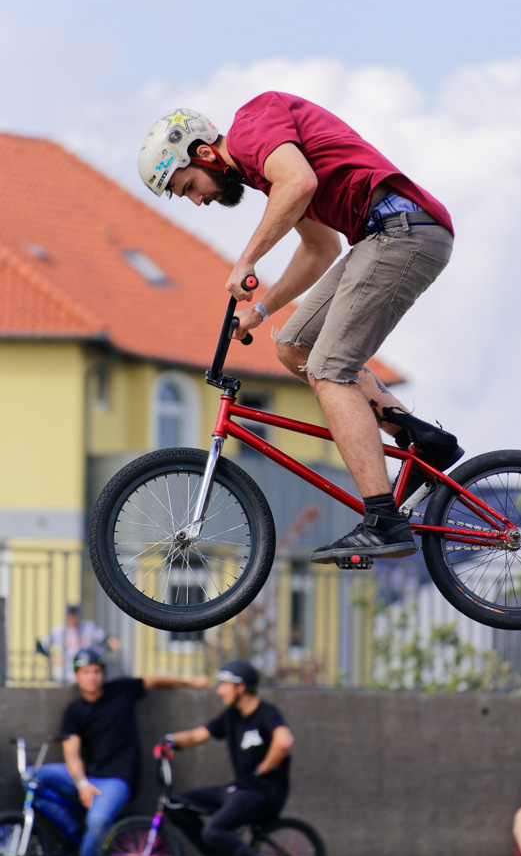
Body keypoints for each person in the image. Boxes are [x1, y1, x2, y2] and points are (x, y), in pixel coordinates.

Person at [138, 95, 463, 565]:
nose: (198, 199)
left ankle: (383, 519)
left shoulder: (253, 126)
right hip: (380, 236)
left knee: (330, 370)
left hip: (403, 228)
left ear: (205, 153)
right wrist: (263, 308)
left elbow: (300, 181)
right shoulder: (268, 171)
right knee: (293, 346)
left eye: (189, 185)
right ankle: (419, 439)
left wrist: (247, 259)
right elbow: (319, 249)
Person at [31, 646, 211, 856]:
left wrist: (191, 681)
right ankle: (76, 832)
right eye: (85, 672)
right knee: (31, 776)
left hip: (117, 780)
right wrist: (82, 784)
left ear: (102, 673)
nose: (92, 677)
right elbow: (71, 752)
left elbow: (154, 680)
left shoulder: (122, 690)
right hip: (87, 777)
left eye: (96, 671)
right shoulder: (74, 710)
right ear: (77, 676)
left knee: (99, 820)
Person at [162, 659, 294, 856]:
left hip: (264, 792)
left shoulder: (266, 713)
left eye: (225, 685)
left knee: (215, 829)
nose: (220, 690)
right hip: (241, 789)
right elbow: (197, 735)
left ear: (241, 687)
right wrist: (170, 742)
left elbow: (284, 741)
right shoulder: (232, 716)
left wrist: (267, 765)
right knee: (175, 804)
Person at [39, 603, 121, 683]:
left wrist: (112, 642)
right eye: (70, 616)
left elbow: (104, 638)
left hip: (85, 669)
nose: (73, 619)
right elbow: (41, 646)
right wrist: (52, 659)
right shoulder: (59, 631)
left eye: (75, 616)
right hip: (65, 672)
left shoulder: (88, 627)